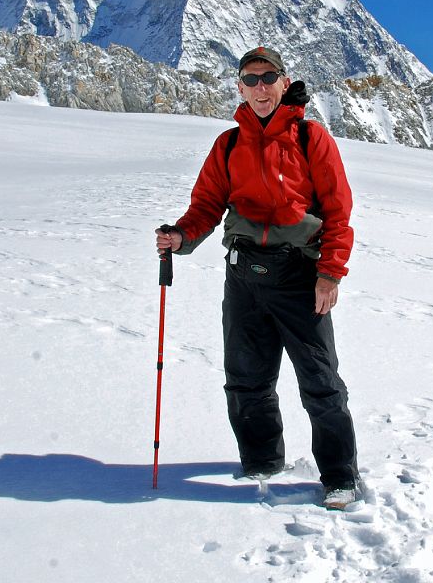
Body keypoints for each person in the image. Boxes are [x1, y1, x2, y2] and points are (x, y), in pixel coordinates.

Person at [154, 46, 361, 510]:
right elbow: (207, 204)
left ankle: (340, 476)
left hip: (300, 277)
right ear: (239, 87)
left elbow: (337, 213)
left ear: (285, 83)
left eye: (269, 78)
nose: (260, 86)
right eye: (250, 79)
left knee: (321, 381)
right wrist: (181, 236)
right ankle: (261, 463)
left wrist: (329, 274)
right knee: (246, 379)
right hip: (244, 276)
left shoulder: (311, 139)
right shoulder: (228, 145)